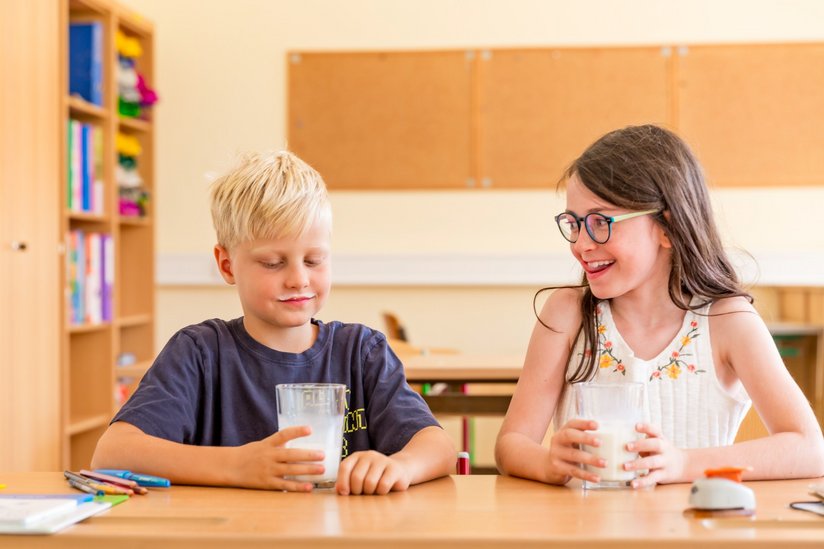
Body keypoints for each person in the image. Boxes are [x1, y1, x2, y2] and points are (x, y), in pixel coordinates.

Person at [92, 150, 455, 495]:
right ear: (227, 265)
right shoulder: (200, 353)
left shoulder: (362, 353)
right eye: (272, 263)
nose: (299, 279)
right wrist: (236, 466)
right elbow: (113, 454)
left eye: (314, 261)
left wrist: (400, 466)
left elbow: (437, 447)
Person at [495, 124, 824, 488]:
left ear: (666, 228)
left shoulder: (728, 322)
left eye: (601, 223)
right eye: (574, 224)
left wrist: (683, 464)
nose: (581, 244)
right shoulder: (566, 314)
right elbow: (511, 445)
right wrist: (547, 462)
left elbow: (809, 448)